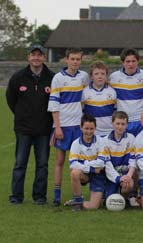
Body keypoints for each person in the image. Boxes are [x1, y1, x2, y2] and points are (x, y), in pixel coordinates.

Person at [6, 44, 55, 205]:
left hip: (44, 129)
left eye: (39, 55)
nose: (36, 58)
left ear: (43, 57)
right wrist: (22, 115)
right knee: (20, 163)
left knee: (42, 164)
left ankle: (39, 197)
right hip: (23, 129)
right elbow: (11, 100)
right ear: (29, 57)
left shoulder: (52, 77)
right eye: (33, 55)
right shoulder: (18, 77)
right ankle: (16, 196)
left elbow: (55, 102)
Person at [48, 47, 89, 206]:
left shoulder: (84, 77)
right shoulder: (58, 78)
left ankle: (76, 195)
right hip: (63, 126)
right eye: (72, 59)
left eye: (78, 59)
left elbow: (86, 98)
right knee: (59, 161)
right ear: (67, 60)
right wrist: (57, 127)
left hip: (78, 127)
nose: (75, 62)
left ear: (81, 60)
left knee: (77, 162)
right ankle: (56, 196)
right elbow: (54, 104)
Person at [109, 48, 143, 136]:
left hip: (140, 121)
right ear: (123, 62)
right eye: (128, 61)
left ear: (138, 61)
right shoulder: (114, 77)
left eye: (133, 61)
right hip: (123, 121)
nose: (131, 64)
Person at [65, 114, 105, 211]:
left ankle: (79, 202)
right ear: (81, 128)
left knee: (93, 207)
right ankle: (78, 201)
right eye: (86, 128)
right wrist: (91, 168)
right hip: (87, 174)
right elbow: (73, 164)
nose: (89, 131)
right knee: (74, 172)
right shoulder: (75, 143)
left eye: (91, 129)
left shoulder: (101, 141)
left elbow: (102, 162)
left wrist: (84, 164)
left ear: (95, 128)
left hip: (98, 175)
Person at [99, 111, 138, 205]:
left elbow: (133, 161)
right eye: (117, 123)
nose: (120, 127)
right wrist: (118, 178)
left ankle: (129, 196)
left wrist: (128, 176)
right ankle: (111, 191)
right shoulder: (104, 141)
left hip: (126, 174)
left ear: (127, 125)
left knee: (128, 185)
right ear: (112, 123)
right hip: (112, 175)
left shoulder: (131, 138)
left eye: (123, 124)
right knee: (108, 199)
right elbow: (107, 165)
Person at [81, 61, 116, 136]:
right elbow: (82, 113)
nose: (100, 76)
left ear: (106, 76)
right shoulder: (85, 92)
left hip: (109, 132)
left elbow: (115, 112)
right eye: (96, 74)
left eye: (103, 74)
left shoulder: (112, 91)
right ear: (91, 76)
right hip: (92, 132)